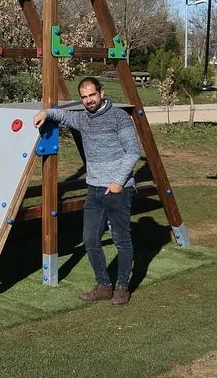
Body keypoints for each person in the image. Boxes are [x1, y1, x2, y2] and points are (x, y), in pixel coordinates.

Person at [33, 77, 140, 307]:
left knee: (121, 241)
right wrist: (45, 113)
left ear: (101, 93)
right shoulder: (83, 119)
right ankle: (104, 286)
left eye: (92, 95)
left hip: (118, 190)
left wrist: (118, 182)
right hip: (94, 189)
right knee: (90, 240)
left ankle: (122, 287)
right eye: (84, 97)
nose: (89, 100)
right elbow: (63, 116)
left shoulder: (119, 117)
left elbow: (133, 152)